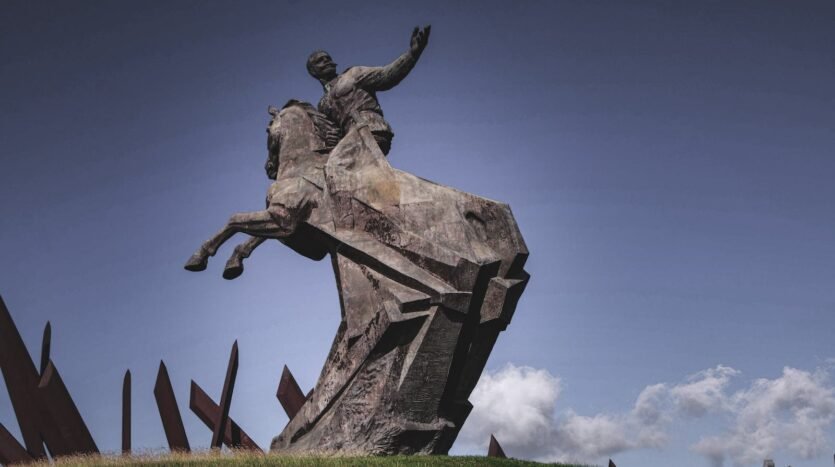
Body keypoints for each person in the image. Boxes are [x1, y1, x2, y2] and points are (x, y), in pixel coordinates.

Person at [306, 26, 430, 156]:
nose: (326, 61)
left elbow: (386, 75)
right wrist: (332, 137)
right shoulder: (322, 104)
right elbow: (333, 130)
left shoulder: (353, 74)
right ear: (313, 72)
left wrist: (412, 54)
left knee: (338, 166)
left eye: (328, 58)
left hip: (371, 129)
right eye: (320, 61)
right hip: (348, 140)